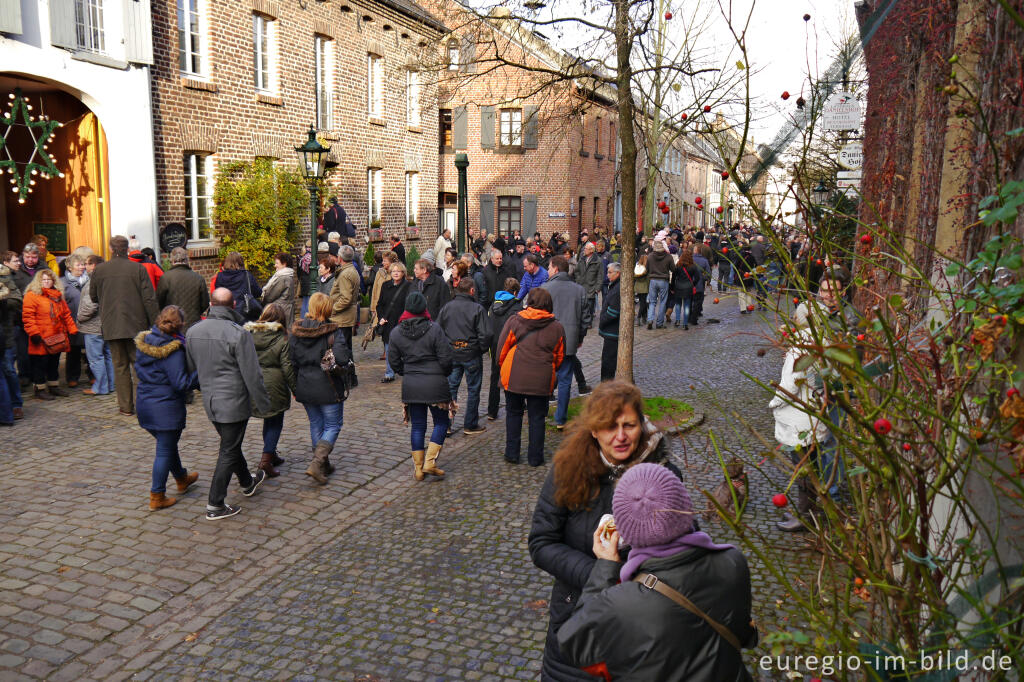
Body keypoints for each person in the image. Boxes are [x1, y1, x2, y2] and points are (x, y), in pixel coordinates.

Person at [528, 380, 683, 680]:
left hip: (645, 621)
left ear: (642, 424)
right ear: (594, 430)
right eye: (610, 427)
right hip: (576, 614)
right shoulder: (568, 469)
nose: (621, 437)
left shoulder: (663, 475)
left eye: (629, 425)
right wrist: (602, 572)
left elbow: (686, 547)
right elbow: (542, 542)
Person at [556, 463, 758, 680]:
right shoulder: (733, 561)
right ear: (685, 506)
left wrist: (605, 567)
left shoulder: (621, 602)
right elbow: (745, 635)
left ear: (626, 532)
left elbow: (572, 642)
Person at [186, 288, 272, 520]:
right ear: (233, 305)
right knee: (229, 449)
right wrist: (264, 405)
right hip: (233, 401)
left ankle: (247, 482)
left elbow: (191, 368)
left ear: (212, 304)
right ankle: (215, 503)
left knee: (230, 444)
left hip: (211, 400)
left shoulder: (193, 331)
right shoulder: (238, 334)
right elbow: (252, 374)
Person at [134, 306, 200, 510]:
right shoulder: (173, 350)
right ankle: (157, 496)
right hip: (165, 407)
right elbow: (181, 383)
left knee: (167, 445)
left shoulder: (146, 341)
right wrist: (201, 373)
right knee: (164, 450)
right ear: (180, 325)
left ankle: (181, 478)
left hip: (145, 404)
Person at [388, 291, 455, 480]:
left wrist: (406, 372)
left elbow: (394, 361)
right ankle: (430, 462)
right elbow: (446, 357)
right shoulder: (434, 329)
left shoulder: (396, 332)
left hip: (412, 384)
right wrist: (443, 372)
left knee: (418, 426)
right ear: (423, 307)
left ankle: (418, 468)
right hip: (435, 383)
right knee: (441, 422)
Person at [90, 235, 160, 415]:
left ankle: (126, 406)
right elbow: (149, 299)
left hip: (112, 324)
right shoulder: (138, 269)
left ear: (111, 249)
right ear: (127, 249)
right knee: (139, 366)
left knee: (119, 366)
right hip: (136, 325)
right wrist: (155, 324)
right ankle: (141, 405)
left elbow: (93, 297)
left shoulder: (100, 270)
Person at [497, 287, 565, 466]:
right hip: (541, 378)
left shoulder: (515, 321)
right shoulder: (557, 327)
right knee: (537, 417)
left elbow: (502, 348)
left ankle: (512, 453)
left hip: (514, 375)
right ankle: (535, 457)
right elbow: (559, 356)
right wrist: (549, 368)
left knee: (513, 414)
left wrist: (501, 364)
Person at [288, 292, 352, 484]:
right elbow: (341, 358)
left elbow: (291, 362)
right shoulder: (333, 331)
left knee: (316, 424)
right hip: (328, 386)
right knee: (333, 425)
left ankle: (323, 464)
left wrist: (295, 388)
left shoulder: (296, 332)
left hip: (305, 385)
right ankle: (317, 463)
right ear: (327, 309)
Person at [245, 303, 297, 479]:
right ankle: (266, 461)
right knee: (275, 421)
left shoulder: (249, 335)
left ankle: (271, 452)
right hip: (274, 384)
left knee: (269, 419)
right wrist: (296, 389)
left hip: (255, 382)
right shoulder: (282, 338)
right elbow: (287, 366)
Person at [542, 256, 592, 429]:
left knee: (546, 377)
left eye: (549, 267)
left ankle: (542, 412)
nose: (547, 271)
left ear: (555, 269)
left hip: (548, 342)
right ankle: (560, 418)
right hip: (569, 341)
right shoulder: (579, 290)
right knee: (565, 380)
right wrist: (580, 337)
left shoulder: (545, 288)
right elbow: (586, 318)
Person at [436, 278, 491, 435]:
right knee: (473, 389)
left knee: (451, 388)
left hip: (453, 353)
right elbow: (486, 334)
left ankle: (446, 424)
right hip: (470, 354)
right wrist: (480, 349)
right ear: (472, 291)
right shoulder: (477, 308)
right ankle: (470, 424)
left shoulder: (447, 308)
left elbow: (438, 330)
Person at [22, 269, 79, 400]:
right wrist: (34, 333)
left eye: (49, 279)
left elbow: (66, 314)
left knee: (54, 363)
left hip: (56, 336)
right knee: (39, 364)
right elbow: (28, 317)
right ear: (38, 281)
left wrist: (72, 329)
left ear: (53, 281)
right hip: (40, 337)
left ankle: (53, 386)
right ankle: (39, 389)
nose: (47, 282)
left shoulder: (57, 295)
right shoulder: (31, 295)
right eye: (44, 280)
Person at [77, 255, 115, 396]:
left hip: (93, 327)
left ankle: (100, 387)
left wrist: (80, 318)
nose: (84, 267)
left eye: (87, 264)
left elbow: (91, 305)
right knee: (108, 356)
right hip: (106, 324)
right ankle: (110, 385)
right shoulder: (108, 279)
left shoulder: (94, 281)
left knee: (95, 359)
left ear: (94, 266)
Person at [486, 277, 520, 421]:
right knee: (512, 376)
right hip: (510, 345)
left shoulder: (493, 305)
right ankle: (514, 406)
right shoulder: (516, 306)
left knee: (495, 377)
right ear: (515, 291)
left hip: (494, 345)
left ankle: (492, 411)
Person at [156, 247, 209, 330]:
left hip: (172, 324)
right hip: (193, 324)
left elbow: (159, 302)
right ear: (186, 260)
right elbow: (205, 303)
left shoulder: (165, 278)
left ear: (172, 260)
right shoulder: (198, 278)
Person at [376, 261, 411, 383]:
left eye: (398, 271)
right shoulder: (385, 285)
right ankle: (389, 373)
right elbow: (380, 304)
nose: (396, 273)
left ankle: (408, 371)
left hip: (402, 321)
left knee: (405, 348)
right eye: (393, 271)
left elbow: (409, 305)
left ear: (403, 273)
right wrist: (381, 317)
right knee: (389, 348)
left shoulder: (408, 286)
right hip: (388, 322)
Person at [60, 254, 89, 387]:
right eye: (78, 265)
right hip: (71, 322)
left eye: (83, 264)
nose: (81, 267)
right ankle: (72, 377)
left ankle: (92, 375)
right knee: (73, 352)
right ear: (70, 267)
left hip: (89, 321)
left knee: (91, 351)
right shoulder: (62, 283)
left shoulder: (90, 280)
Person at [210, 252, 262, 320]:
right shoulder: (246, 275)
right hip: (245, 312)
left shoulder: (220, 276)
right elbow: (258, 292)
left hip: (226, 313)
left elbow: (218, 294)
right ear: (241, 262)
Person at [0, 258, 22, 423]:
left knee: (8, 369)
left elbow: (16, 300)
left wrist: (2, 300)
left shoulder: (4, 276)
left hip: (5, 333)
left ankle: (16, 404)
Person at [329, 244, 361, 355]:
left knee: (342, 350)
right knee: (346, 348)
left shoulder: (345, 274)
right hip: (345, 317)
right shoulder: (351, 270)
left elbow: (346, 299)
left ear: (340, 258)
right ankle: (350, 371)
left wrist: (332, 310)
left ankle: (348, 372)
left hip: (342, 318)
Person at [598, 263, 621, 382]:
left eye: (610, 272)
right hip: (610, 330)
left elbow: (613, 312)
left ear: (618, 273)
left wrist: (602, 320)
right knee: (607, 360)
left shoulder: (617, 288)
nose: (607, 275)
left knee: (608, 361)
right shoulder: (614, 286)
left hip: (613, 331)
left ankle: (606, 386)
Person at [261, 252, 297, 322]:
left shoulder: (283, 278)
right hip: (286, 309)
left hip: (280, 312)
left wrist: (263, 301)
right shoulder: (288, 276)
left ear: (284, 264)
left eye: (277, 263)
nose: (275, 265)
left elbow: (270, 296)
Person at [645, 238, 673, 329]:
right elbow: (673, 269)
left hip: (653, 280)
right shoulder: (668, 257)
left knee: (652, 302)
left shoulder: (650, 256)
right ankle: (659, 323)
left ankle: (650, 319)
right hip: (664, 280)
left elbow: (647, 269)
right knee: (663, 302)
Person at [670, 249, 701, 330]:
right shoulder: (693, 266)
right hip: (688, 287)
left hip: (678, 287)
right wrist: (693, 284)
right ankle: (685, 323)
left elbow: (673, 278)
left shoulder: (678, 265)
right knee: (687, 305)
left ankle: (677, 320)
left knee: (678, 304)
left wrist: (672, 287)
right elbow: (697, 277)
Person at [692, 244, 712, 326]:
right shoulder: (704, 261)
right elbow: (708, 273)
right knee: (698, 301)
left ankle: (690, 316)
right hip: (700, 284)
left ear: (695, 251)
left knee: (690, 300)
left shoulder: (690, 259)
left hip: (690, 283)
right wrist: (703, 278)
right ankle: (695, 316)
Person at [633, 254, 649, 327]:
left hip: (637, 287)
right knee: (643, 303)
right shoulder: (647, 269)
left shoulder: (637, 268)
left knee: (642, 302)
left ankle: (644, 318)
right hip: (645, 288)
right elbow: (648, 280)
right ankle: (639, 317)